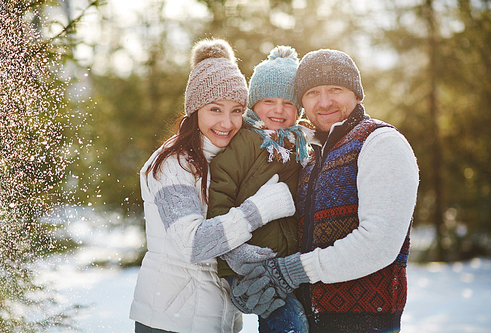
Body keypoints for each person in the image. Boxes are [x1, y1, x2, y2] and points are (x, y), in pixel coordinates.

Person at [230, 49, 419, 333]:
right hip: (304, 321)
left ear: (356, 95)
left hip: (364, 324)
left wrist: (289, 272)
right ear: (303, 101)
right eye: (313, 92)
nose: (325, 101)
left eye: (335, 89)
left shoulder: (380, 143)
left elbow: (378, 244)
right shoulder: (307, 153)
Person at [129, 39, 297, 333]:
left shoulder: (230, 159)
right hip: (170, 322)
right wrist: (259, 209)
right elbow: (191, 244)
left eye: (236, 110)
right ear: (195, 111)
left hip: (220, 320)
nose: (227, 122)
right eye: (215, 109)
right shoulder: (173, 165)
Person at [207, 46, 311, 333]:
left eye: (288, 103)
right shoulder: (246, 141)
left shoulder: (299, 144)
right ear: (253, 104)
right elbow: (219, 195)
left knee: (287, 320)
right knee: (288, 322)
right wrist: (234, 251)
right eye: (268, 101)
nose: (278, 110)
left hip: (280, 262)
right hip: (245, 260)